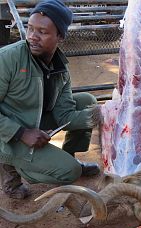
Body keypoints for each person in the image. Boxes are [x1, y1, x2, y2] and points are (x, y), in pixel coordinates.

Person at [0, 0, 102, 200]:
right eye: (30, 29)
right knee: (69, 172)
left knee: (87, 100)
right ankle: (13, 170)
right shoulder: (8, 58)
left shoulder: (60, 67)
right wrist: (21, 133)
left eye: (42, 32)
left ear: (60, 36)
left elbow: (65, 115)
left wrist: (103, 115)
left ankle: (67, 157)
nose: (32, 37)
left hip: (31, 122)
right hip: (7, 133)